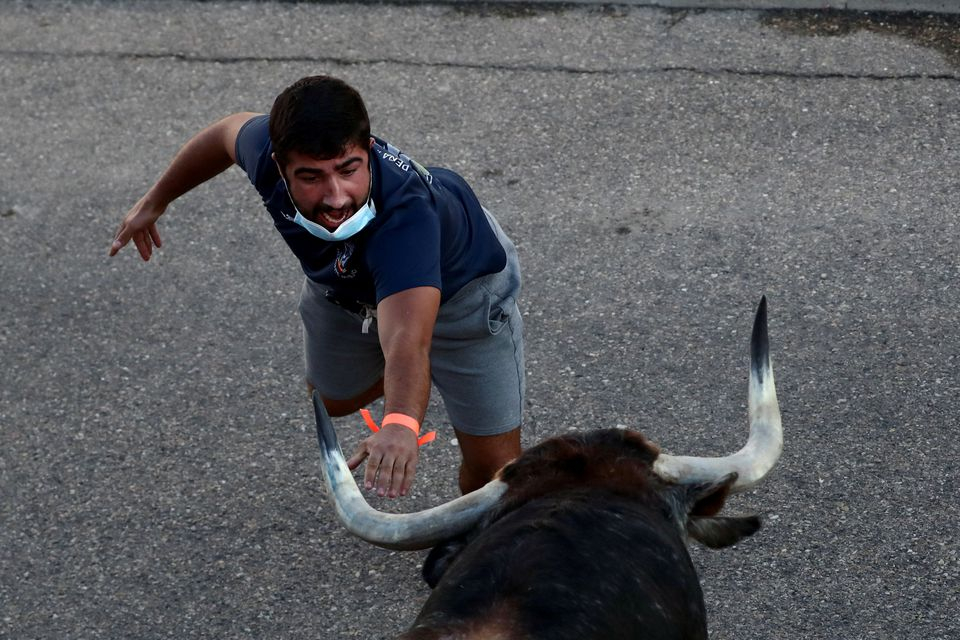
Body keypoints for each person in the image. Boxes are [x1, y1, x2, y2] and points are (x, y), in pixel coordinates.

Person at [110, 75, 524, 499]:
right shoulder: (263, 152)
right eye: (311, 177)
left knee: (495, 472)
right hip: (347, 288)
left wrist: (399, 424)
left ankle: (434, 382)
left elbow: (405, 342)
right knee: (332, 400)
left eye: (349, 170)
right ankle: (418, 377)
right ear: (278, 164)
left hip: (463, 288)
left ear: (367, 152)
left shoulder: (407, 220)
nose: (335, 197)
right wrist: (157, 199)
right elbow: (223, 134)